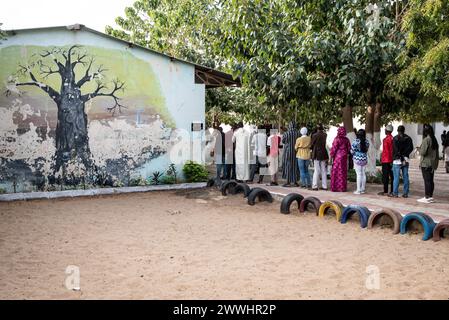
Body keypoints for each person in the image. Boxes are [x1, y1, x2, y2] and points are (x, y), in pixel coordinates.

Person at [418, 124, 439, 203]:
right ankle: (430, 196)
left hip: (425, 163)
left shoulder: (426, 139)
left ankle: (427, 197)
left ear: (425, 131)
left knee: (427, 180)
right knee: (431, 180)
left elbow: (423, 152)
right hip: (432, 163)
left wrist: (419, 149)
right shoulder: (434, 139)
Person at [390, 125, 413, 198]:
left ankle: (395, 193)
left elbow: (395, 149)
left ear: (397, 130)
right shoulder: (408, 138)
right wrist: (404, 155)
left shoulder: (395, 138)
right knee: (405, 176)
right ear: (404, 130)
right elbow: (411, 148)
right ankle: (405, 193)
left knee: (396, 177)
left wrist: (399, 156)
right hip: (405, 159)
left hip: (397, 160)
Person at [330, 126, 351, 192]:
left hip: (337, 157)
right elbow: (349, 149)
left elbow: (334, 149)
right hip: (344, 157)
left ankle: (335, 188)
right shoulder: (347, 139)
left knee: (336, 172)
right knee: (343, 172)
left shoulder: (337, 139)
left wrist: (331, 156)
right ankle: (342, 188)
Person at [281, 122, 301, 187]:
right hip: (296, 152)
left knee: (288, 166)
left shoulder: (286, 133)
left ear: (289, 126)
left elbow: (283, 141)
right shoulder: (299, 133)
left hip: (288, 152)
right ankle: (295, 182)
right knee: (295, 166)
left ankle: (288, 182)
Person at [351, 129, 370, 195]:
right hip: (364, 159)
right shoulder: (367, 142)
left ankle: (358, 190)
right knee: (363, 174)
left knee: (358, 174)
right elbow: (366, 150)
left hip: (357, 159)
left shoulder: (355, 142)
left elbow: (352, 151)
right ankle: (362, 189)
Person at [311, 124, 329, 191]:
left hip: (316, 153)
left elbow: (312, 144)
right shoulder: (325, 134)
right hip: (323, 152)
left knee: (316, 170)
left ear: (317, 129)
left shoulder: (315, 135)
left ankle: (315, 186)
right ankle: (325, 186)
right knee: (324, 170)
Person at [378, 124, 394, 196]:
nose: (384, 131)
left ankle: (385, 191)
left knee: (385, 176)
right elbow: (392, 150)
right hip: (391, 160)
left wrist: (382, 158)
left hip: (386, 160)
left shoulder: (385, 139)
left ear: (387, 131)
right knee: (392, 176)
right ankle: (392, 190)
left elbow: (386, 151)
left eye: (385, 130)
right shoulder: (393, 138)